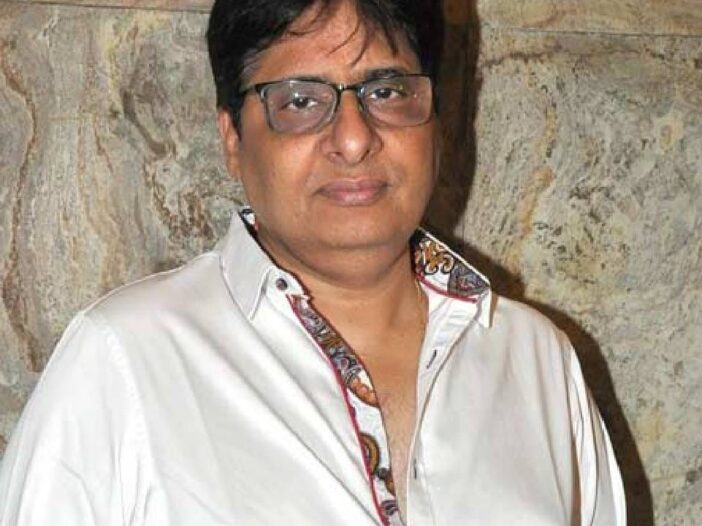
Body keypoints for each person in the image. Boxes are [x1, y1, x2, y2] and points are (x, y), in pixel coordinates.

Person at [0, 0, 626, 524]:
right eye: (300, 101)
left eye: (386, 91)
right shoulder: (125, 360)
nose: (354, 139)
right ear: (232, 137)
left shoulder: (534, 360)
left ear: (435, 120)